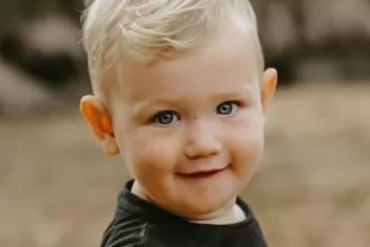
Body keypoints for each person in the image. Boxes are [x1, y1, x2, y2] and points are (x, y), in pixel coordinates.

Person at [80, 0, 278, 246]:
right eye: (166, 117)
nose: (204, 145)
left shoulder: (226, 212)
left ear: (262, 101)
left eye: (226, 108)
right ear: (105, 127)